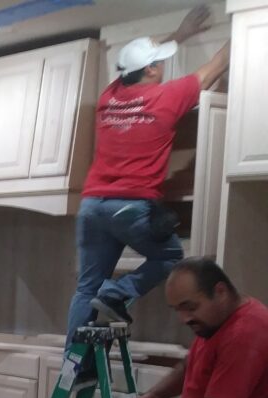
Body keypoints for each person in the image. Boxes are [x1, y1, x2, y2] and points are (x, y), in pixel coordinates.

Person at [64, 5, 231, 352]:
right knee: (171, 258)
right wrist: (244, 28)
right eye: (160, 62)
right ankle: (117, 294)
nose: (164, 66)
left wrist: (179, 35)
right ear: (153, 69)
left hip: (93, 204)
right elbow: (215, 66)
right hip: (130, 204)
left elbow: (137, 64)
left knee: (85, 288)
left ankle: (73, 360)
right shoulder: (166, 97)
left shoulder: (109, 98)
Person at [103, 259, 268, 398]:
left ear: (220, 292)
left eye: (190, 307)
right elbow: (191, 365)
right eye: (177, 310)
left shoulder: (244, 334)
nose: (184, 319)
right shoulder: (214, 321)